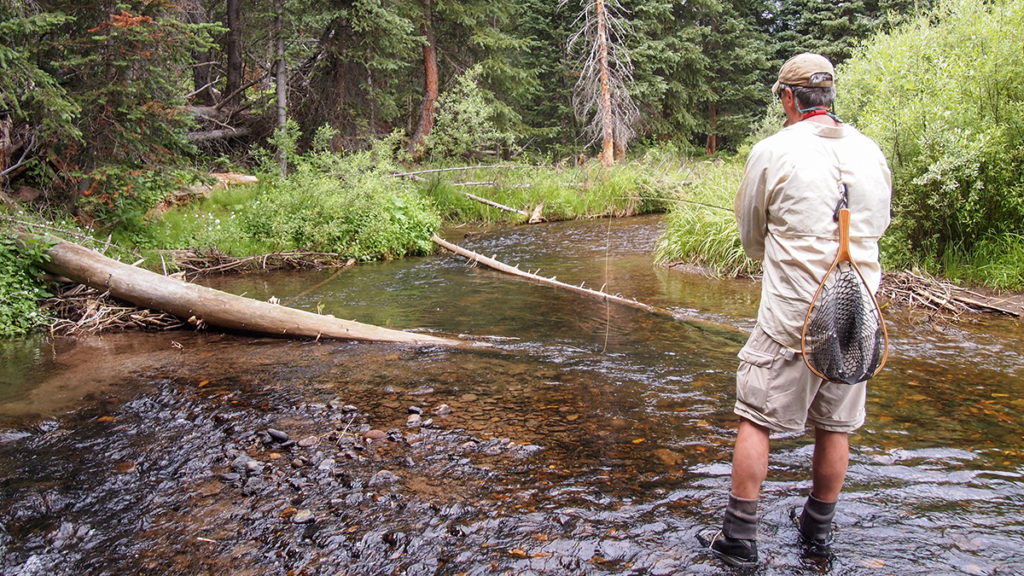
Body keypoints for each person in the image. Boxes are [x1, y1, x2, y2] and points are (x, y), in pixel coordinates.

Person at [698, 53, 892, 567]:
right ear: (829, 95)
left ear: (789, 98)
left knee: (755, 416)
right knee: (836, 425)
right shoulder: (870, 150)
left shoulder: (772, 150)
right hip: (857, 310)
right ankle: (816, 528)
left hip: (793, 313)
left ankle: (739, 539)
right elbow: (882, 222)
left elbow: (751, 236)